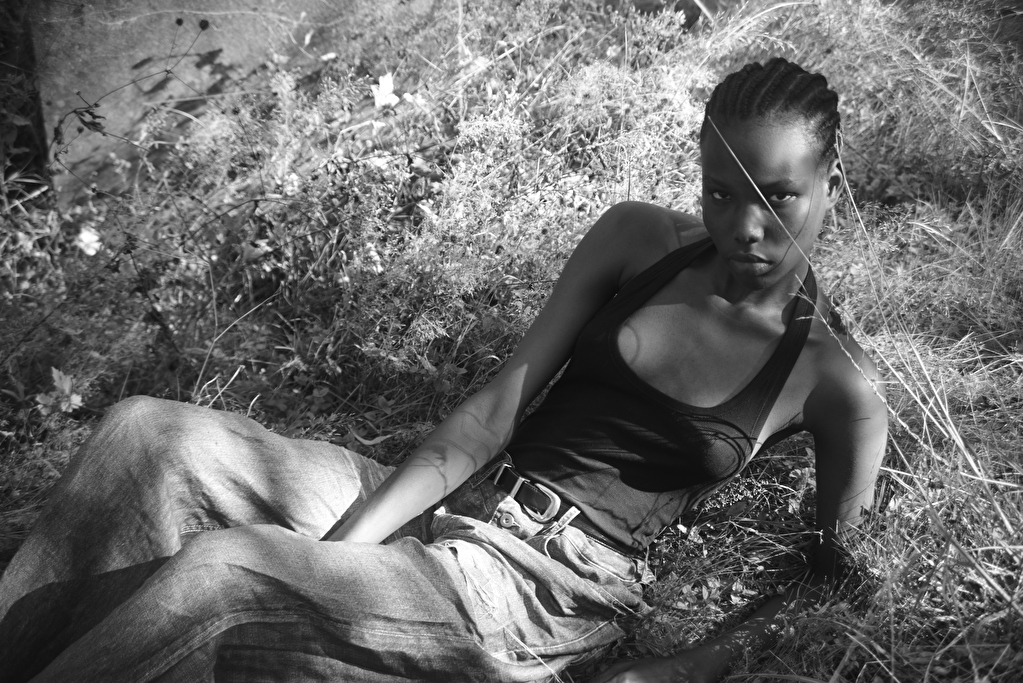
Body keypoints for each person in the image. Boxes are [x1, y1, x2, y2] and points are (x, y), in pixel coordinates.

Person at [0, 57, 887, 683]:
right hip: (456, 508)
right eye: (720, 191)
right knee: (148, 435)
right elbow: (492, 412)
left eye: (776, 195)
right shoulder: (639, 240)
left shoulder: (833, 381)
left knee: (226, 575)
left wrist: (681, 668)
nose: (743, 227)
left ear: (830, 175)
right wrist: (336, 557)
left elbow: (829, 571)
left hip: (529, 597)